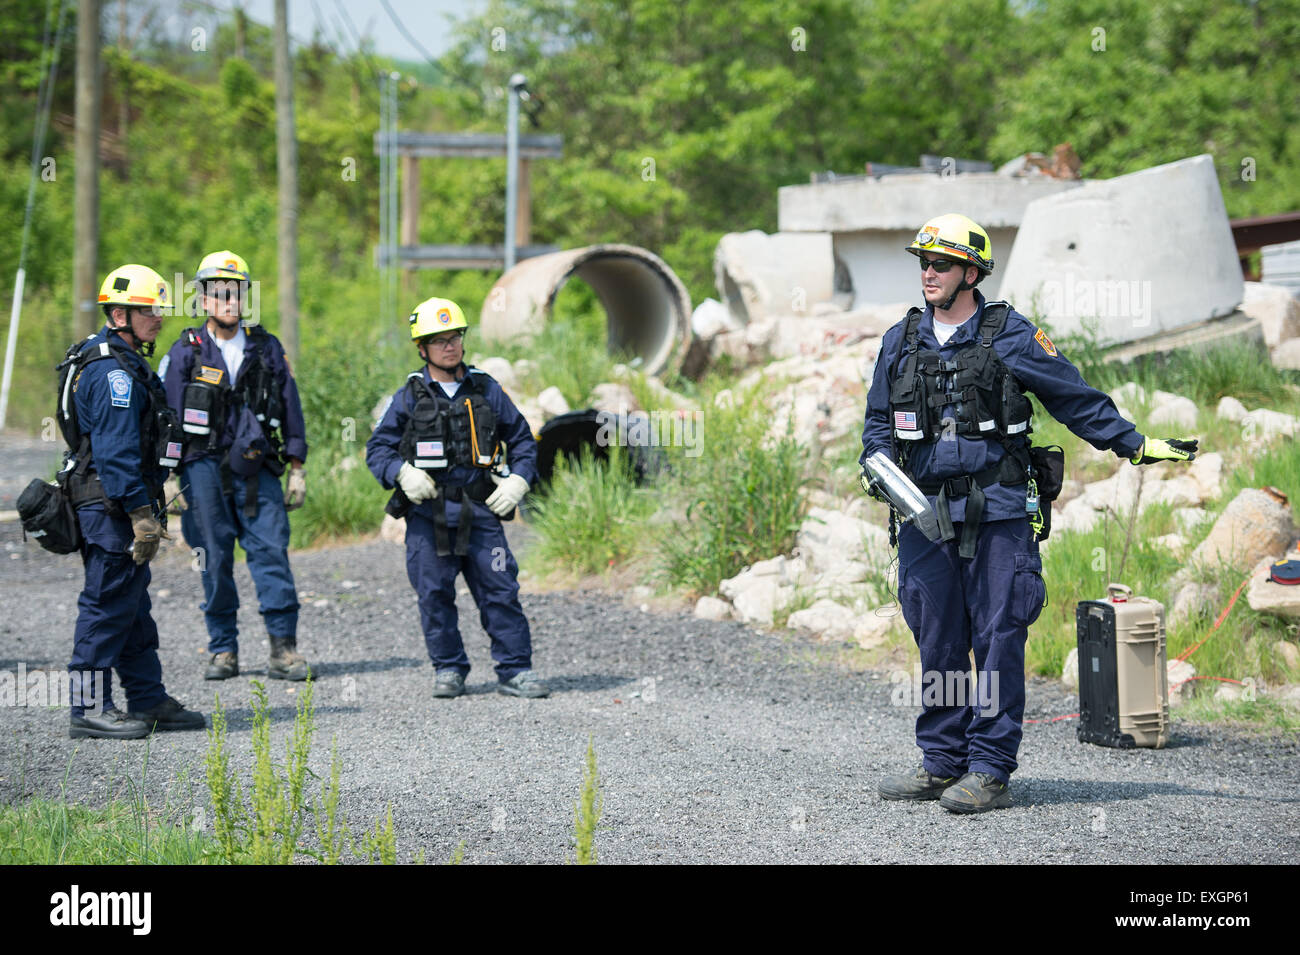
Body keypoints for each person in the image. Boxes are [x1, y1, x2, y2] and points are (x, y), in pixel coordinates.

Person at [861, 213, 1198, 813]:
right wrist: (881, 469)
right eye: (923, 262)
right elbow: (878, 427)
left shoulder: (1011, 335)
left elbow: (1074, 398)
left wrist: (1132, 443)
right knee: (936, 639)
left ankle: (989, 767)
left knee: (997, 638)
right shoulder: (900, 340)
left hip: (999, 514)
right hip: (922, 519)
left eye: (940, 263)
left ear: (972, 271)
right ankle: (942, 762)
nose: (928, 272)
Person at [366, 296, 547, 699]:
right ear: (422, 348)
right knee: (433, 593)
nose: (450, 346)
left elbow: (523, 440)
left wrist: (518, 481)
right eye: (439, 340)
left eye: (455, 337)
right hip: (427, 515)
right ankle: (448, 667)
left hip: (481, 510)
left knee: (501, 590)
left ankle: (515, 670)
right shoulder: (409, 397)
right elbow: (377, 450)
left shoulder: (486, 389)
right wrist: (401, 472)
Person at [63, 264, 205, 739]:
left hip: (120, 503)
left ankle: (147, 699)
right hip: (111, 507)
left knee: (131, 608)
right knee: (106, 606)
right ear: (120, 314)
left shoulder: (125, 361)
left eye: (160, 310)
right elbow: (116, 450)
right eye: (150, 311)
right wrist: (141, 513)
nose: (159, 318)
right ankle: (87, 709)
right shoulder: (113, 374)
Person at [159, 250, 312, 682]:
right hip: (201, 469)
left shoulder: (267, 348)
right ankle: (223, 649)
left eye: (236, 291)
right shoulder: (186, 352)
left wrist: (297, 466)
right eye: (218, 292)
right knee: (213, 559)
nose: (228, 300)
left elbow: (291, 408)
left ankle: (284, 650)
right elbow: (168, 417)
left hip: (257, 468)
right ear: (204, 300)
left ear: (245, 297)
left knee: (271, 554)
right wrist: (168, 475)